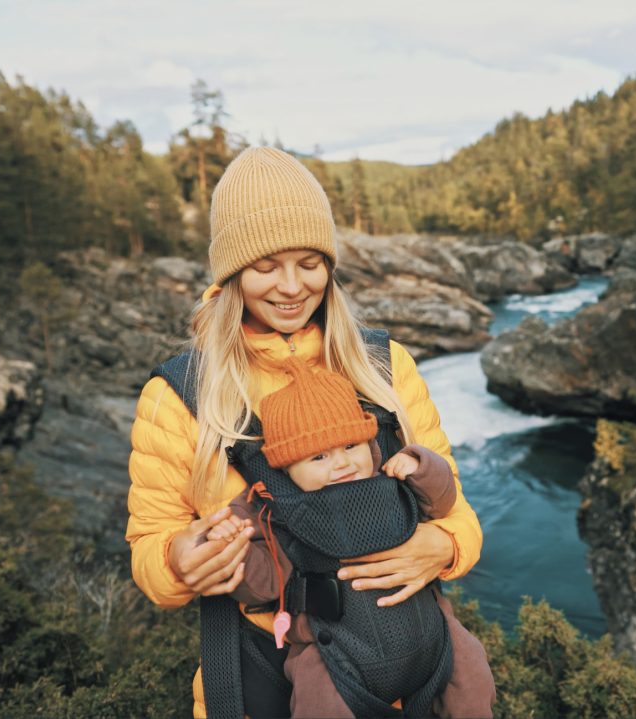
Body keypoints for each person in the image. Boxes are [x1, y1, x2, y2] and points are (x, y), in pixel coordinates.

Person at [126, 146, 487, 718]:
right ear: (232, 271)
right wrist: (176, 561)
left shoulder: (383, 365)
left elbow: (453, 503)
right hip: (266, 685)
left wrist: (446, 546)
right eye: (266, 266)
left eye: (309, 262)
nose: (292, 286)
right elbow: (149, 545)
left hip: (412, 673)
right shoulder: (178, 395)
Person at [204, 356, 495, 718]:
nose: (341, 464)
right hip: (336, 655)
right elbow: (263, 586)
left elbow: (443, 502)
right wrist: (234, 550)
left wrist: (421, 467)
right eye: (319, 456)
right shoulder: (272, 507)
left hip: (431, 637)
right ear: (286, 468)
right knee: (321, 704)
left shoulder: (389, 475)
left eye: (350, 447)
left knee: (473, 674)